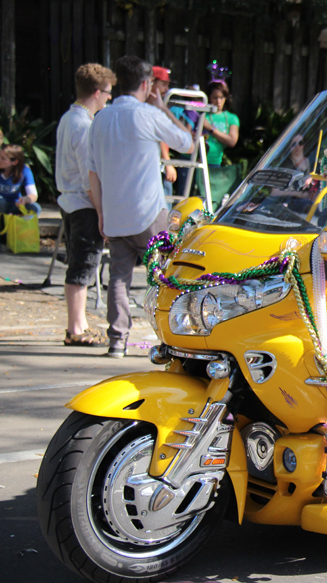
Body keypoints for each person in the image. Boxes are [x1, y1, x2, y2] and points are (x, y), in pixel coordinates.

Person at [88, 56, 194, 358]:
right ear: (147, 85)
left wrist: (100, 212)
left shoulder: (101, 119)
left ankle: (117, 341)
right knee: (161, 277)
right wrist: (162, 108)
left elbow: (92, 172)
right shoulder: (148, 114)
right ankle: (167, 339)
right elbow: (186, 142)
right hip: (148, 212)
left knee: (118, 279)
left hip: (115, 212)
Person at [55, 63, 116, 347]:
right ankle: (75, 328)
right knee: (82, 265)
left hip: (69, 200)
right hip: (82, 203)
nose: (109, 98)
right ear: (96, 92)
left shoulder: (70, 118)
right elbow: (87, 176)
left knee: (80, 264)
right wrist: (102, 212)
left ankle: (78, 324)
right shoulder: (83, 125)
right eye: (107, 93)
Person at [151, 66, 178, 200]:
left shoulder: (158, 106)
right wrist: (168, 163)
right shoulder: (151, 109)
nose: (166, 90)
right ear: (151, 83)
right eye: (163, 84)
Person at [203, 81, 240, 167]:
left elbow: (232, 141)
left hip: (214, 162)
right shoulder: (201, 114)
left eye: (221, 97)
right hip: (194, 159)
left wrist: (211, 129)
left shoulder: (232, 118)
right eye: (215, 98)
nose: (218, 101)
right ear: (209, 97)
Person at [0, 144, 40, 218]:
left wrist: (25, 199)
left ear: (14, 162)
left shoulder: (24, 171)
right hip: (1, 205)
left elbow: (33, 195)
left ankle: (22, 227)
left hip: (16, 204)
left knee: (35, 207)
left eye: (3, 158)